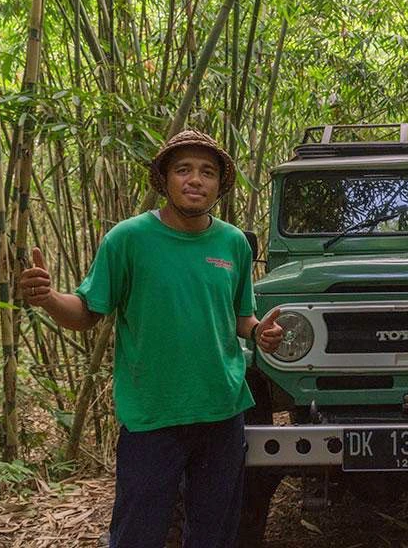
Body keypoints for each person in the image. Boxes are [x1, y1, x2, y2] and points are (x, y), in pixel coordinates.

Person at [20, 129, 283, 548]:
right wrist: (48, 297)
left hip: (222, 409)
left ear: (219, 184)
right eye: (183, 169)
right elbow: (88, 313)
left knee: (214, 532)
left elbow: (240, 316)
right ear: (165, 180)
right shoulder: (128, 239)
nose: (195, 179)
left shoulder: (233, 243)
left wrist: (259, 332)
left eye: (207, 171)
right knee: (137, 532)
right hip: (152, 414)